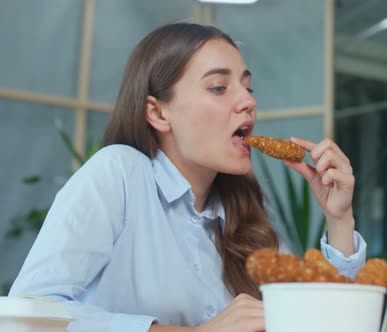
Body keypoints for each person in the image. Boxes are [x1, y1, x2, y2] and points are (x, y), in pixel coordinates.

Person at [9, 22, 367, 332]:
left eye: (248, 87)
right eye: (218, 87)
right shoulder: (117, 173)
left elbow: (313, 323)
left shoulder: (250, 207)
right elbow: (31, 315)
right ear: (158, 112)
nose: (248, 101)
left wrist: (338, 219)